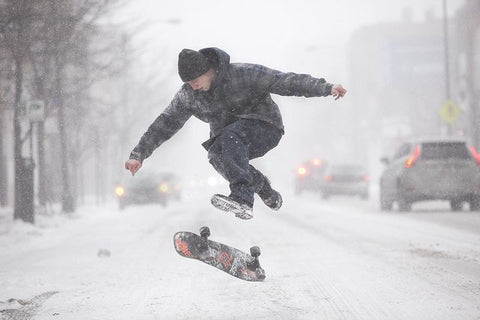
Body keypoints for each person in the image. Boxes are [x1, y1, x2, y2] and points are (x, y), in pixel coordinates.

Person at [125, 47, 346, 220]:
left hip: (266, 127)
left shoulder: (243, 74)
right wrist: (139, 154)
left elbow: (283, 81)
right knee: (216, 155)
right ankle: (263, 188)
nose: (193, 88)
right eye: (188, 84)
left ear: (207, 71)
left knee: (231, 135)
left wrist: (325, 88)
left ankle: (242, 198)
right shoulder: (189, 96)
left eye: (195, 82)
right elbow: (165, 123)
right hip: (230, 140)